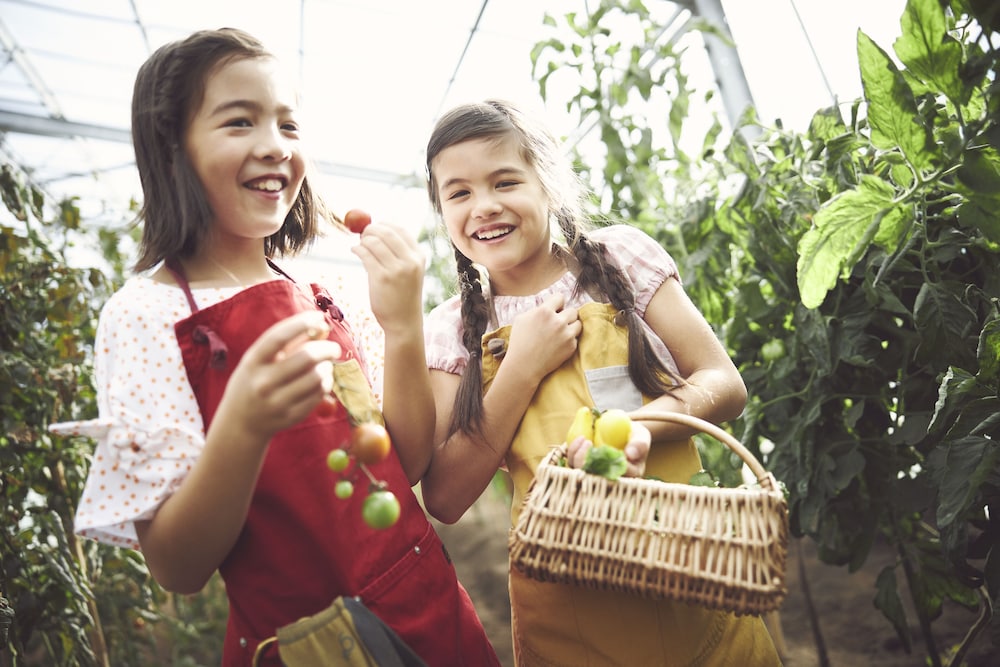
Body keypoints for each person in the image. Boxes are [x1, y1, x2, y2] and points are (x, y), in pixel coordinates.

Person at [50, 28, 500, 667]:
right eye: (239, 122)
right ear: (171, 147)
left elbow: (404, 464)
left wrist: (401, 326)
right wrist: (243, 425)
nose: (274, 147)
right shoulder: (149, 315)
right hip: (306, 647)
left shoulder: (323, 293)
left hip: (427, 609)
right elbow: (178, 566)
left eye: (289, 127)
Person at [421, 99, 782, 665]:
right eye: (459, 192)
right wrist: (520, 369)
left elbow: (723, 383)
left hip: (693, 575)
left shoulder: (620, 258)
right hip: (568, 616)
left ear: (549, 183)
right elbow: (444, 495)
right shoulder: (451, 329)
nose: (484, 206)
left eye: (505, 181)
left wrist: (631, 429)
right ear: (441, 210)